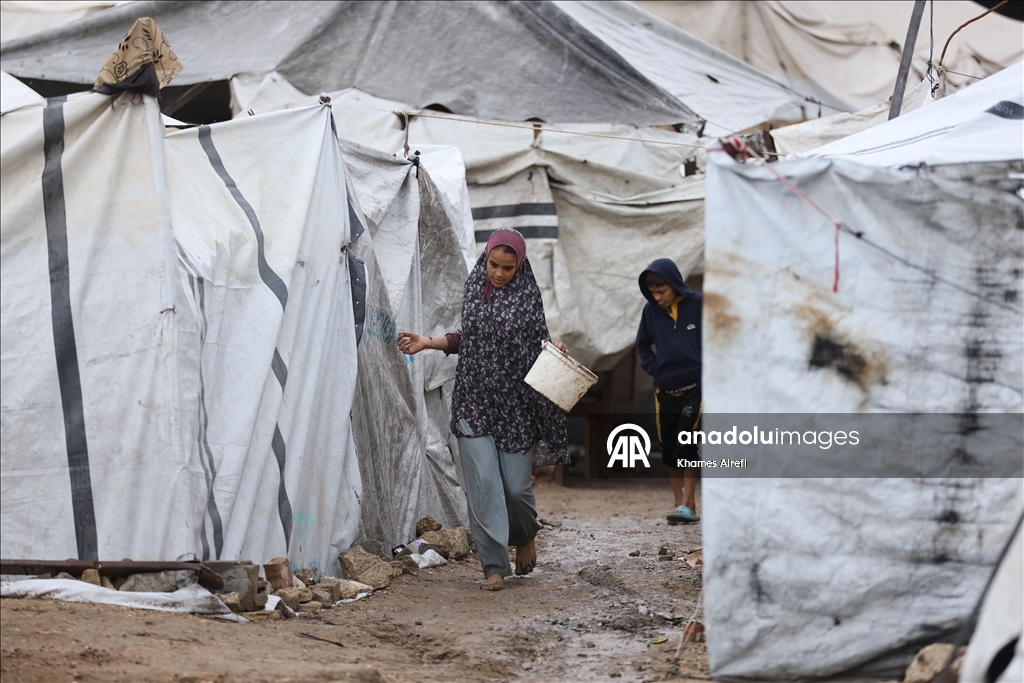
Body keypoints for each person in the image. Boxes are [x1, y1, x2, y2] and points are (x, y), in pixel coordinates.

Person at [397, 227, 569, 591]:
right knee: (483, 485)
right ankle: (494, 566)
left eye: (507, 267)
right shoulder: (475, 287)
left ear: (519, 266)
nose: (499, 273)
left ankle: (525, 535)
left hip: (516, 406)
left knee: (516, 491)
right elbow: (471, 338)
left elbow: (537, 346)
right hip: (473, 401)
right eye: (493, 264)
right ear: (486, 258)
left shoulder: (527, 296)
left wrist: (555, 349)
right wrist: (428, 342)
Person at [635, 258, 702, 525]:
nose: (658, 297)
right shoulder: (650, 312)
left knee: (687, 443)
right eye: (653, 293)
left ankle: (690, 503)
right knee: (669, 446)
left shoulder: (698, 305)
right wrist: (655, 368)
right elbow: (642, 344)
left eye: (662, 291)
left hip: (695, 386)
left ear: (675, 285)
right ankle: (678, 503)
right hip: (664, 388)